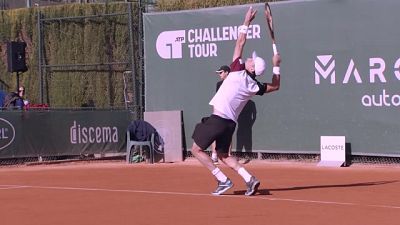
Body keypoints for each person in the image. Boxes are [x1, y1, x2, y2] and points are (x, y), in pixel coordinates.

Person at [191, 6, 281, 196]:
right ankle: (250, 179)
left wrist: (246, 21)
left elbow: (240, 42)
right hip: (230, 124)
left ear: (251, 68)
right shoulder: (254, 86)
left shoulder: (238, 69)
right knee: (224, 155)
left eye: (251, 60)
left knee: (196, 149)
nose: (249, 58)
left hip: (218, 119)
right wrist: (276, 66)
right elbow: (275, 86)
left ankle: (222, 180)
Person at [211, 65, 231, 164]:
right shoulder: (219, 84)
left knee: (228, 133)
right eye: (219, 73)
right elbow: (217, 98)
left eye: (221, 72)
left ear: (227, 72)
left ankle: (228, 155)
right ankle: (214, 155)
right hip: (219, 111)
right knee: (215, 132)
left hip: (229, 113)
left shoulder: (233, 83)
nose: (219, 74)